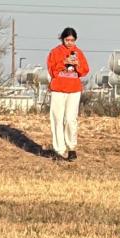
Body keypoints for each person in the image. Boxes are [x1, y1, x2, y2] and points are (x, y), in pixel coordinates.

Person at [47, 27, 90, 161]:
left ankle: (72, 147)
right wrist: (64, 62)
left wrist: (77, 65)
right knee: (57, 119)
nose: (69, 42)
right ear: (62, 39)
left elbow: (85, 71)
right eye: (67, 40)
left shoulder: (79, 53)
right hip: (58, 89)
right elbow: (52, 70)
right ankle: (59, 150)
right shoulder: (55, 52)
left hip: (74, 89)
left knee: (71, 120)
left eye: (72, 40)